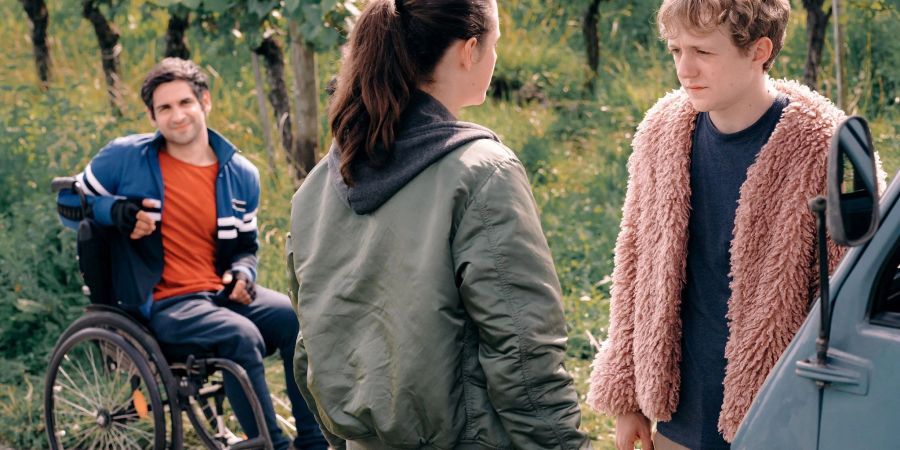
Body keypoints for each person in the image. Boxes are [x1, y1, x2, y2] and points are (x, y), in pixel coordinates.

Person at [286, 0, 591, 449]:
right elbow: (523, 354)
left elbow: (310, 342)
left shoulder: (318, 184)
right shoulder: (482, 173)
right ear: (469, 50)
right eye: (495, 44)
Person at [584, 1, 886, 449]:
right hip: (675, 409)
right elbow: (632, 265)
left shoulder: (823, 147)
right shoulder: (662, 133)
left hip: (779, 416)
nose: (685, 69)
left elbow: (854, 297)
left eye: (703, 52)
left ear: (759, 50)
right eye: (675, 50)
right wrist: (627, 397)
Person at [56, 58, 327, 450]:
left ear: (205, 101)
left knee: (293, 316)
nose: (177, 115)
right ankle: (271, 445)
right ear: (152, 115)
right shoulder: (124, 158)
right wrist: (115, 211)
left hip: (216, 294)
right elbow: (68, 202)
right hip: (161, 304)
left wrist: (242, 274)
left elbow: (244, 249)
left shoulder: (241, 175)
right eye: (164, 108)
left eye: (185, 102)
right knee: (241, 335)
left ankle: (314, 441)